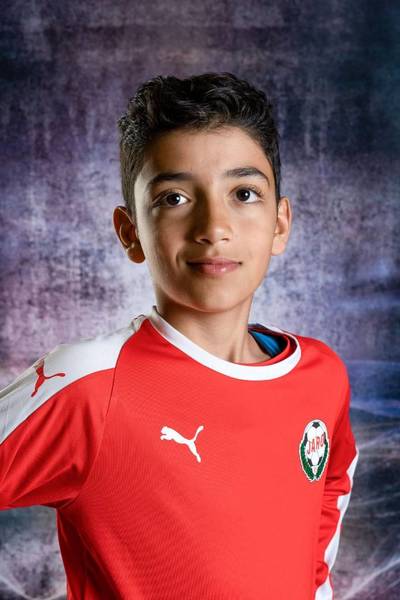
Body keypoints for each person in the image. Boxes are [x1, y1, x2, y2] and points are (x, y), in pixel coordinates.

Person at [0, 72, 359, 599]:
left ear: (280, 223)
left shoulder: (321, 376)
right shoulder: (90, 386)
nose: (213, 227)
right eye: (173, 198)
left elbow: (323, 519)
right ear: (130, 233)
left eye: (244, 193)